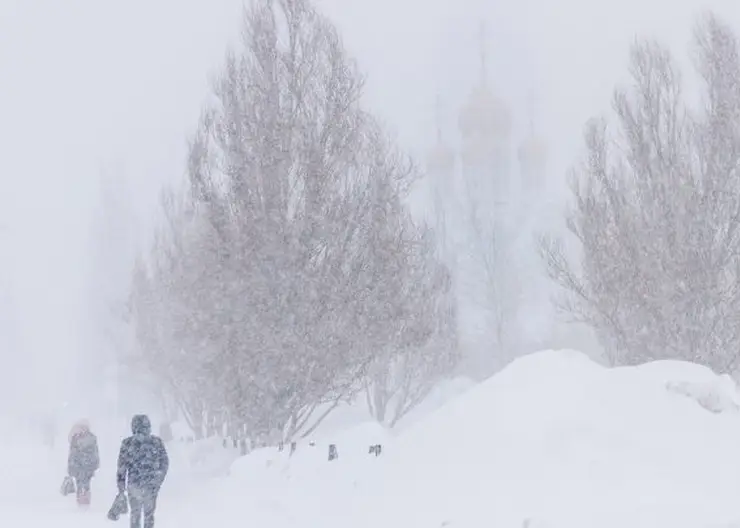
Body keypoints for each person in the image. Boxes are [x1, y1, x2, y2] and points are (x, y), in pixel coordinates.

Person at [117, 414, 169, 528]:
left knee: (135, 514)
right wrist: (158, 479)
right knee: (149, 515)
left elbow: (122, 468)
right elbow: (164, 463)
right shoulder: (156, 442)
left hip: (134, 484)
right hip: (151, 484)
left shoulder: (127, 443)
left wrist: (121, 488)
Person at [67, 420, 100, 507]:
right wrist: (70, 465)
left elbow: (95, 451)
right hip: (78, 465)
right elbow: (72, 453)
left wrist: (95, 463)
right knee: (79, 483)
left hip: (88, 465)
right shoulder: (75, 438)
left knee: (86, 483)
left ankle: (86, 500)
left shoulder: (91, 438)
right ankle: (80, 500)